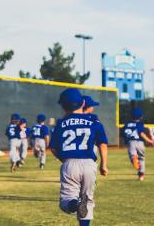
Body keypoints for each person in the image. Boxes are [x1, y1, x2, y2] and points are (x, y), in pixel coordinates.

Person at [50, 88, 108, 226]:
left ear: (63, 106)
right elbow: (103, 144)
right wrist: (103, 164)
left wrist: (63, 160)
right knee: (87, 201)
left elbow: (53, 147)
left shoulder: (60, 124)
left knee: (67, 202)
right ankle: (81, 209)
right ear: (83, 103)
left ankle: (75, 205)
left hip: (70, 163)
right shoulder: (94, 122)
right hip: (89, 164)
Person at [121, 108, 154, 181]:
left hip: (131, 142)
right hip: (140, 143)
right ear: (140, 117)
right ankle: (141, 176)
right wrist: (149, 140)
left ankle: (134, 158)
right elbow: (141, 133)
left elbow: (123, 133)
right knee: (141, 158)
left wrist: (126, 140)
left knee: (133, 156)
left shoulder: (126, 124)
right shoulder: (139, 124)